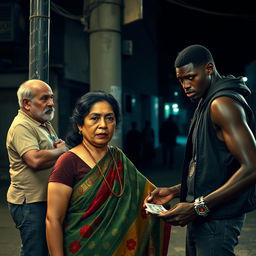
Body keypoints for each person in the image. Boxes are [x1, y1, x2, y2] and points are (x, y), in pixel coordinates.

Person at [144, 44, 256, 255]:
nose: (185, 85)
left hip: (218, 221)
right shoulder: (205, 102)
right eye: (181, 80)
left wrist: (198, 207)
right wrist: (176, 191)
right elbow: (213, 170)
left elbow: (252, 167)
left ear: (209, 68)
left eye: (190, 77)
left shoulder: (222, 104)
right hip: (204, 215)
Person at [46, 91, 171, 256]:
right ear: (80, 125)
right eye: (95, 118)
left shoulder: (118, 158)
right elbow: (53, 220)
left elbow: (147, 197)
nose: (103, 125)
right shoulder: (68, 162)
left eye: (109, 118)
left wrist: (170, 198)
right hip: (80, 249)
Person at [6, 79, 67, 256]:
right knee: (35, 251)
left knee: (45, 248)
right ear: (26, 103)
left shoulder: (43, 123)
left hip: (43, 200)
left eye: (51, 97)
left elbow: (48, 158)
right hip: (30, 203)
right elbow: (34, 160)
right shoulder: (21, 126)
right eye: (45, 98)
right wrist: (61, 151)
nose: (51, 103)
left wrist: (58, 152)